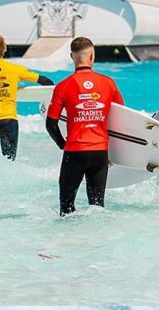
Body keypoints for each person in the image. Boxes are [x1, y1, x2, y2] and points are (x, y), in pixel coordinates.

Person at [45, 37, 123, 215]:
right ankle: (96, 242)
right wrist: (115, 153)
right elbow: (121, 121)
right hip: (100, 153)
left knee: (66, 208)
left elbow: (51, 124)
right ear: (92, 56)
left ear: (72, 57)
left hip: (74, 152)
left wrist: (62, 144)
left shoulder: (63, 86)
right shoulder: (108, 83)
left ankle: (69, 241)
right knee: (97, 208)